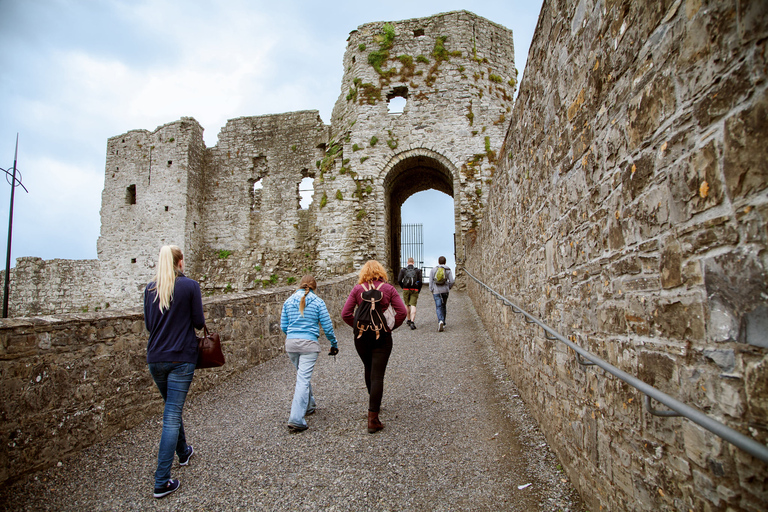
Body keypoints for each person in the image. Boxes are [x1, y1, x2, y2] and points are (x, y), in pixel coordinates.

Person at [144, 245, 205, 499]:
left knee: (171, 407)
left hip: (156, 358)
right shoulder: (189, 286)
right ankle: (161, 481)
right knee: (171, 416)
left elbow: (149, 325)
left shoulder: (149, 289)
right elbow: (199, 322)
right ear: (180, 262)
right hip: (181, 357)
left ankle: (184, 452)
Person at [342, 260, 407, 433]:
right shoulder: (388, 289)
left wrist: (357, 327)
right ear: (381, 272)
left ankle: (373, 401)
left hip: (361, 337)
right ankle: (373, 418)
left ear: (364, 273)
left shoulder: (357, 289)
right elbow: (402, 312)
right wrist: (389, 328)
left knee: (368, 367)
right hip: (382, 337)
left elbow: (345, 314)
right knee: (377, 375)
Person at [280, 275, 338, 432]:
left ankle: (309, 405)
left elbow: (283, 326)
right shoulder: (318, 302)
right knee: (303, 379)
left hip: (291, 344)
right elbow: (327, 327)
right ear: (314, 287)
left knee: (302, 376)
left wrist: (294, 335)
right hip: (309, 345)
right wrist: (334, 344)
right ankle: (296, 418)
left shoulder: (288, 301)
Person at [429, 256, 455, 332]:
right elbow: (452, 281)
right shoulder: (448, 270)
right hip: (445, 291)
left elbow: (430, 280)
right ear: (445, 262)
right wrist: (448, 287)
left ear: (438, 262)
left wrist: (431, 289)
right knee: (443, 305)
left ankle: (440, 320)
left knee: (438, 306)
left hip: (436, 291)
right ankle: (443, 322)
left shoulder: (433, 270)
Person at [397, 257, 423, 330]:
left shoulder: (403, 270)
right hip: (414, 289)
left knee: (407, 304)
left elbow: (399, 280)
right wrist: (418, 290)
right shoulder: (417, 271)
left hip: (406, 289)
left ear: (407, 262)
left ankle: (408, 319)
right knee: (413, 305)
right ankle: (412, 321)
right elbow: (420, 282)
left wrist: (403, 287)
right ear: (413, 263)